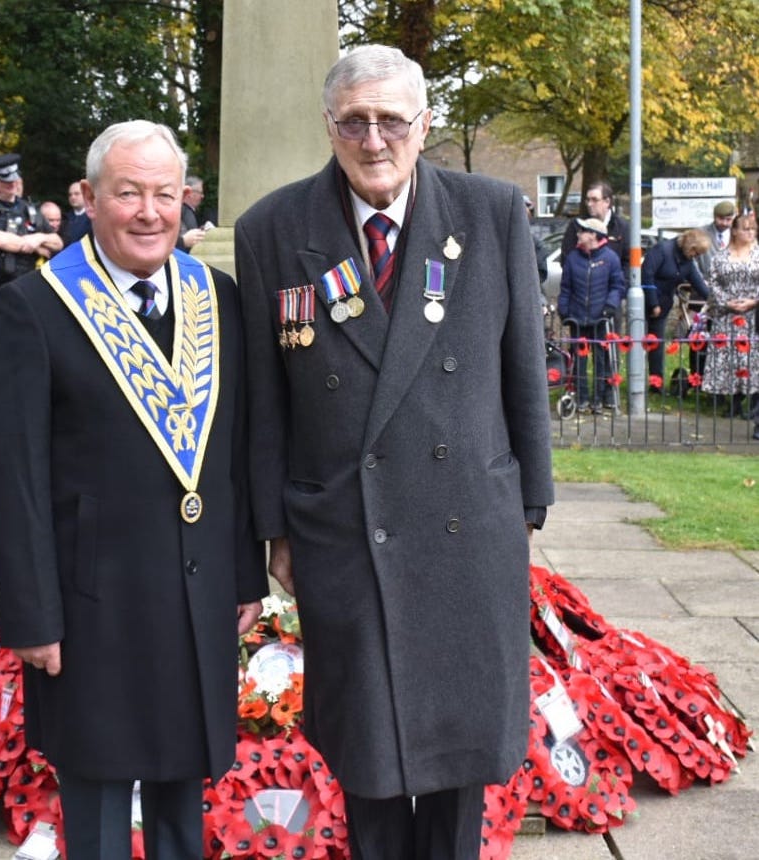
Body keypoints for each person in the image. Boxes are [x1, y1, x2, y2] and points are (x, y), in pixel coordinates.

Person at [235, 45, 554, 860]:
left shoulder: (490, 212)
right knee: (367, 758)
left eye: (390, 120)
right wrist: (274, 528)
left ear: (424, 124)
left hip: (465, 529)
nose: (373, 139)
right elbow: (265, 401)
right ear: (329, 125)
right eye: (354, 121)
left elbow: (523, 368)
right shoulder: (273, 229)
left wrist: (527, 508)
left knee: (458, 761)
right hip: (344, 528)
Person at [0, 120, 266, 860]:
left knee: (182, 799)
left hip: (196, 592)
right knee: (100, 808)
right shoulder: (36, 309)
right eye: (129, 193)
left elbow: (229, 451)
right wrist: (31, 615)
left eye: (165, 195)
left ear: (185, 201)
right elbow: (13, 483)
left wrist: (244, 576)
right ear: (89, 198)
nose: (149, 212)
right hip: (90, 607)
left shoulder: (219, 299)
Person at [0, 154, 63, 390]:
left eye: (14, 178)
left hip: (24, 289)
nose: (11, 183)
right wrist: (28, 244)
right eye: (4, 180)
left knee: (28, 349)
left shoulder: (29, 209)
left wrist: (37, 238)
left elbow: (56, 242)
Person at [558, 217, 626, 414]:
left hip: (600, 318)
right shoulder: (573, 258)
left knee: (601, 360)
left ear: (594, 235)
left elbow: (617, 286)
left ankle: (599, 398)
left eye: (582, 231)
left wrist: (610, 306)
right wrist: (564, 310)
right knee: (579, 361)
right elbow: (566, 288)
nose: (578, 235)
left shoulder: (610, 258)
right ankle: (581, 398)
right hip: (578, 317)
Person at [700, 212, 759, 438]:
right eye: (745, 229)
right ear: (734, 231)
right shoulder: (721, 257)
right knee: (730, 358)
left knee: (751, 359)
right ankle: (731, 402)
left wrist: (753, 301)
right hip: (727, 314)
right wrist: (727, 302)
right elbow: (712, 282)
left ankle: (753, 404)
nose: (750, 233)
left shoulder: (757, 254)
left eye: (753, 229)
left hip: (753, 315)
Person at [641, 229, 710, 387]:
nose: (696, 256)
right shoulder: (662, 250)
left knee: (656, 345)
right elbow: (647, 274)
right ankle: (636, 380)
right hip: (647, 301)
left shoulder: (687, 261)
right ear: (689, 246)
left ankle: (656, 383)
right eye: (696, 252)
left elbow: (698, 282)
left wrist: (715, 300)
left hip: (663, 305)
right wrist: (653, 303)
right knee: (639, 342)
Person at [560, 181, 630, 332]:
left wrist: (616, 295)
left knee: (608, 351)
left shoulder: (622, 227)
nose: (589, 204)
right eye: (587, 200)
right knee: (579, 352)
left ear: (607, 202)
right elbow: (566, 258)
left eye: (594, 199)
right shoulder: (576, 226)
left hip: (609, 303)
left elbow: (628, 262)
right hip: (580, 305)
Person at [696, 199, 736, 279]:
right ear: (714, 216)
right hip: (706, 284)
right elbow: (693, 261)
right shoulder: (700, 233)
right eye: (721, 219)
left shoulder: (737, 234)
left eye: (728, 219)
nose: (724, 223)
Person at [175, 175, 208, 251]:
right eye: (200, 192)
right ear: (189, 193)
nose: (202, 196)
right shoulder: (184, 211)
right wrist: (183, 241)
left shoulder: (185, 211)